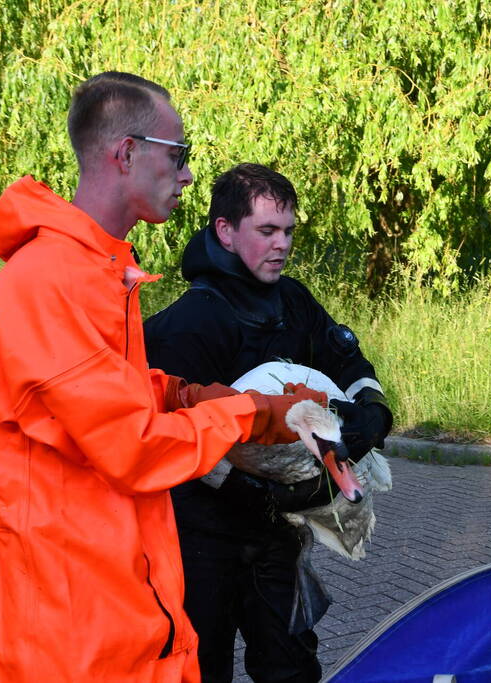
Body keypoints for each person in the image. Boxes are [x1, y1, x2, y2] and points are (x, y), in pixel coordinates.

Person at [0, 73, 325, 682]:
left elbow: (96, 397)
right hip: (60, 622)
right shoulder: (48, 282)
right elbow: (130, 444)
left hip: (109, 598)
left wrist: (182, 393)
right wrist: (255, 412)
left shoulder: (98, 269)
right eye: (178, 156)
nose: (187, 176)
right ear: (126, 153)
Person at [144, 163, 392, 683]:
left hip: (276, 535)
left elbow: (347, 361)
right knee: (198, 670)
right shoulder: (188, 324)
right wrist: (252, 492)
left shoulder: (293, 301)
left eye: (289, 231)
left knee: (291, 668)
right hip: (200, 540)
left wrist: (372, 411)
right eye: (267, 231)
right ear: (226, 232)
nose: (282, 244)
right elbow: (168, 437)